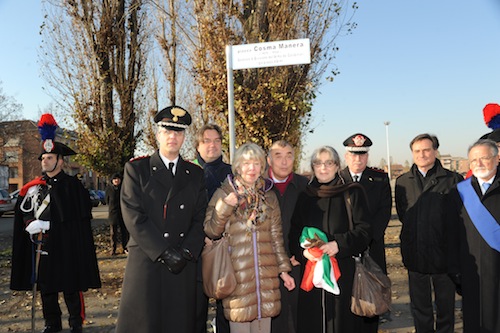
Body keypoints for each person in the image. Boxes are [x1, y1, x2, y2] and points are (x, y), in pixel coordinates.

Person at [115, 106, 208, 333]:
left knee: (179, 324)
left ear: (184, 137)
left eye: (178, 132)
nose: (172, 137)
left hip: (182, 263)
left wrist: (186, 252)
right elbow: (134, 215)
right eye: (167, 131)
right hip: (149, 260)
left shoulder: (195, 174)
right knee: (145, 324)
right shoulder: (137, 170)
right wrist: (164, 252)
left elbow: (201, 217)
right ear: (157, 135)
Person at [10, 113, 101, 333]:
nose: (45, 161)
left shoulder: (73, 186)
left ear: (60, 160)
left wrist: (52, 225)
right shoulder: (35, 187)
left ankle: (75, 323)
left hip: (68, 245)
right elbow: (24, 209)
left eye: (49, 158)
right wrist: (30, 222)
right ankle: (52, 323)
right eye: (43, 158)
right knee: (46, 288)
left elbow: (79, 218)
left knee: (70, 286)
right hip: (44, 245)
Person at [204, 142, 295, 333]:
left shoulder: (269, 196)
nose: (251, 169)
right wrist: (225, 206)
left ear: (262, 166)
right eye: (246, 163)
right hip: (237, 279)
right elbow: (211, 231)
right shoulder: (224, 193)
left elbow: (276, 237)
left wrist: (284, 270)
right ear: (237, 166)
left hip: (266, 280)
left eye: (255, 163)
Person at [289, 145, 371, 333]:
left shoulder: (352, 193)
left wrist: (339, 244)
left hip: (343, 272)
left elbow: (365, 231)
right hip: (312, 275)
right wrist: (303, 252)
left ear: (337, 166)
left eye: (329, 163)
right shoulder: (305, 197)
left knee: (342, 323)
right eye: (318, 163)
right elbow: (294, 233)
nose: (323, 168)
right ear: (312, 167)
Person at [395, 133, 463, 333]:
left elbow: (459, 218)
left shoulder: (453, 179)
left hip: (444, 257)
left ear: (435, 151)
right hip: (415, 255)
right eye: (417, 151)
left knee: (445, 308)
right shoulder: (402, 182)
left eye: (426, 150)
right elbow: (403, 214)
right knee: (420, 308)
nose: (422, 154)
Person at [340, 133, 392, 332]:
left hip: (371, 250)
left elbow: (383, 213)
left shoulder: (379, 179)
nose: (358, 159)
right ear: (346, 156)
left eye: (362, 154)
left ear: (367, 156)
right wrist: (348, 242)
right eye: (353, 154)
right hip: (344, 251)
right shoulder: (337, 179)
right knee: (346, 302)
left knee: (372, 303)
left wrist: (364, 241)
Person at [447, 139, 500, 332]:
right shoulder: (459, 192)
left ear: (497, 158)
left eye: (484, 158)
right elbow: (451, 234)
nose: (478, 164)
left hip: (497, 267)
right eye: (473, 160)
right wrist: (454, 270)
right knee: (473, 322)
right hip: (471, 271)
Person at [192, 124, 232, 333]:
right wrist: (201, 237)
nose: (212, 145)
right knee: (196, 311)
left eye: (217, 140)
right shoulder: (187, 173)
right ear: (198, 146)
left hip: (226, 250)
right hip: (196, 251)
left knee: (225, 309)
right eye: (207, 141)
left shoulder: (232, 173)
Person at [267, 140, 308, 333]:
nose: (284, 161)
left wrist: (300, 254)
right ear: (269, 160)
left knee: (300, 317)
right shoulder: (260, 187)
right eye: (278, 156)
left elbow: (313, 223)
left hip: (298, 262)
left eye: (289, 155)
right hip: (267, 265)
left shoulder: (305, 186)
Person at [105, 173, 129, 255]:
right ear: (112, 181)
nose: (116, 180)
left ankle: (125, 247)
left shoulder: (123, 188)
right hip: (113, 213)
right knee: (113, 232)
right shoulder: (109, 189)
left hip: (122, 212)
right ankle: (113, 249)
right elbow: (107, 200)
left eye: (118, 179)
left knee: (124, 232)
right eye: (115, 179)